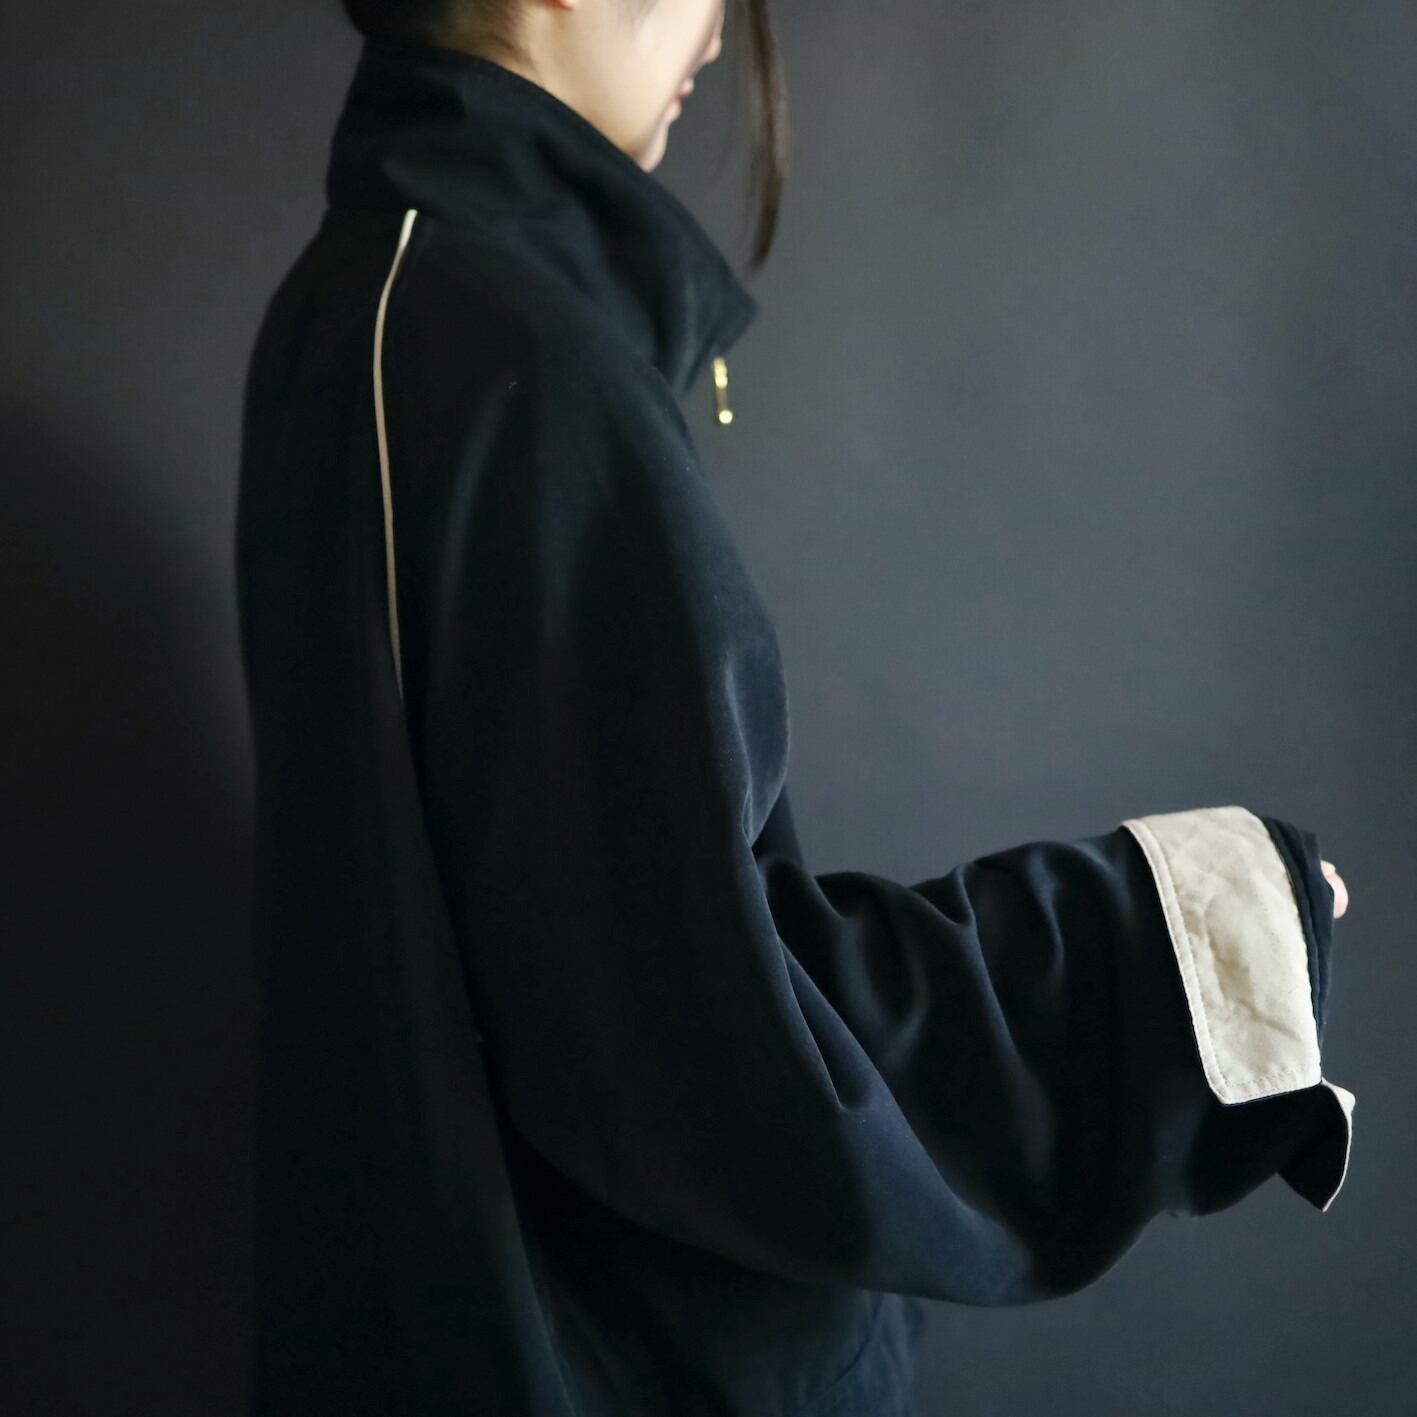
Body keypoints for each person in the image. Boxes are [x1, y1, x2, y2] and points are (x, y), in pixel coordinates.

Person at [232, 3, 1356, 1414]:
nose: (719, 32)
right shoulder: (510, 360)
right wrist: (1195, 932)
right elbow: (709, 1043)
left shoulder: (368, 304)